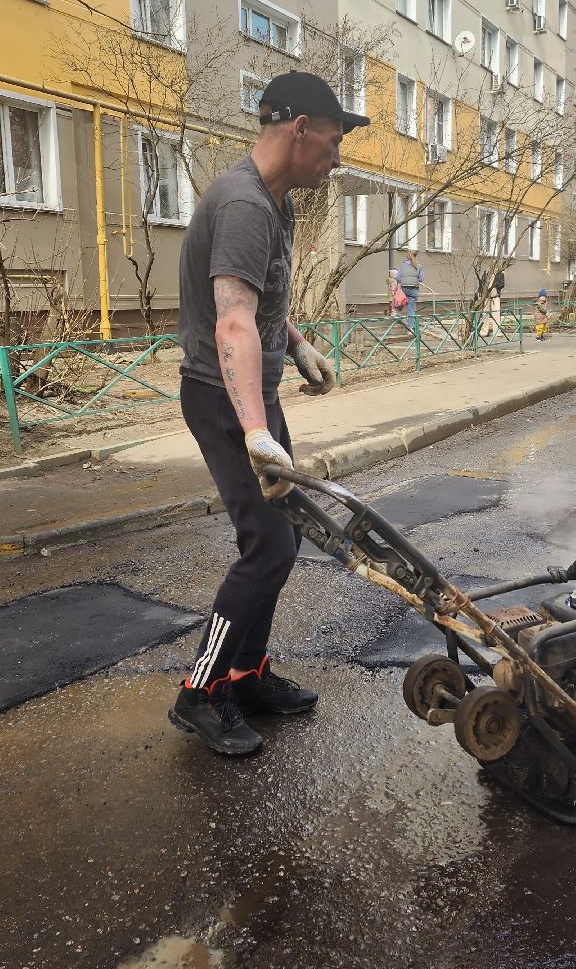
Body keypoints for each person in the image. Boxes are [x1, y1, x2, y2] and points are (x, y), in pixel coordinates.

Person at [169, 71, 367, 756]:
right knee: (267, 546)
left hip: (255, 394)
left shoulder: (274, 205)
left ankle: (247, 675)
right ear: (302, 129)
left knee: (281, 543)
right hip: (223, 397)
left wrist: (301, 345)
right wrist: (254, 430)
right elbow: (230, 326)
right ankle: (200, 692)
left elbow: (259, 307)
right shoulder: (245, 204)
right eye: (335, 140)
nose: (338, 157)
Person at [393, 249, 424, 331]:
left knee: (401, 301)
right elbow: (421, 278)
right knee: (411, 309)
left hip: (404, 288)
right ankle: (410, 327)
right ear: (415, 256)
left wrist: (403, 280)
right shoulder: (419, 266)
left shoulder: (402, 265)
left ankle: (397, 314)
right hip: (414, 289)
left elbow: (398, 278)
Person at [480, 268, 505, 339]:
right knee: (485, 314)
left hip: (495, 297)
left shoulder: (500, 274)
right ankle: (484, 331)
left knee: (497, 314)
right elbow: (482, 283)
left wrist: (494, 286)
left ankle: (497, 332)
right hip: (486, 297)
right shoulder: (486, 273)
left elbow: (502, 284)